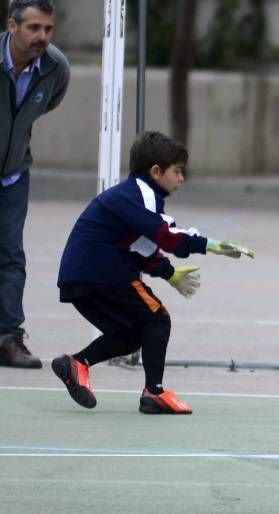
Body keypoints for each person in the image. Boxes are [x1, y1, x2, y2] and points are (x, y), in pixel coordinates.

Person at [52, 131, 255, 414]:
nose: (181, 179)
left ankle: (77, 364)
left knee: (134, 332)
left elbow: (140, 245)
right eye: (178, 171)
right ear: (156, 171)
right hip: (103, 270)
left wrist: (169, 273)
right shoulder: (139, 194)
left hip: (80, 276)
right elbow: (167, 235)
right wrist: (213, 246)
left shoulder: (135, 197)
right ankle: (154, 393)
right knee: (158, 319)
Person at [0, 0, 69, 368]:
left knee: (11, 256)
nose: (42, 36)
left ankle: (8, 339)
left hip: (13, 174)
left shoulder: (56, 68)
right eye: (34, 28)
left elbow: (45, 106)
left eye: (48, 29)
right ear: (12, 26)